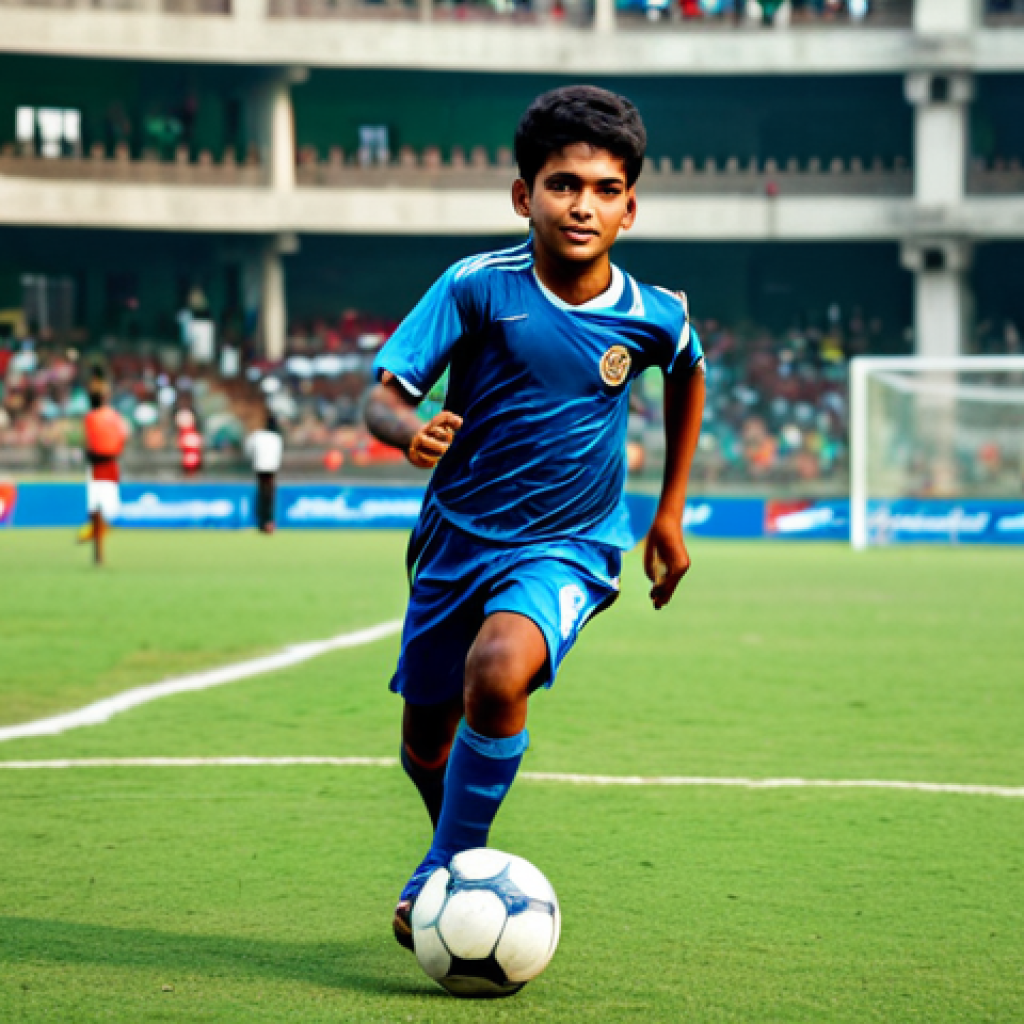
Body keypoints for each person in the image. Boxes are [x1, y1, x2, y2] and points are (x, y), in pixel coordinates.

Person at [364, 85, 706, 951]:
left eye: (604, 189)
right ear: (525, 196)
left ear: (630, 207)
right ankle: (456, 859)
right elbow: (383, 397)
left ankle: (445, 867)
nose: (582, 205)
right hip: (455, 540)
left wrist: (669, 513)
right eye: (562, 185)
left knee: (497, 670)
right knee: (424, 742)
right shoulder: (477, 287)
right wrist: (409, 430)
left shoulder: (655, 314)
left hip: (569, 545)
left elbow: (688, 370)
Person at [78, 379, 128, 567]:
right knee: (96, 509)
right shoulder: (106, 416)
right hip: (100, 465)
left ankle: (94, 538)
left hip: (105, 464)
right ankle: (98, 552)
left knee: (105, 511)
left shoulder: (101, 417)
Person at [245, 410, 283, 533]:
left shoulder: (258, 435)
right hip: (271, 469)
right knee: (269, 496)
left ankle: (262, 523)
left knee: (262, 495)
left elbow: (248, 449)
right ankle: (269, 522)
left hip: (260, 468)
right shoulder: (276, 437)